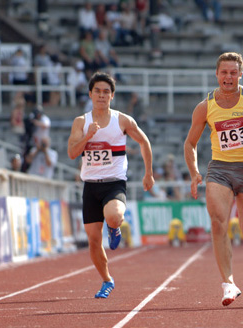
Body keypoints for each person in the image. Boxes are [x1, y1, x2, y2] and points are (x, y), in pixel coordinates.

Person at [184, 52, 243, 306]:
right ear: (217, 74)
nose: (228, 77)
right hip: (219, 170)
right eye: (224, 72)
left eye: (233, 72)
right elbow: (190, 143)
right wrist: (194, 172)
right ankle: (228, 283)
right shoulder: (205, 106)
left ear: (241, 74)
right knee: (217, 222)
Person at [67, 72, 154, 298]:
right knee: (94, 241)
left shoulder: (122, 120)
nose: (102, 95)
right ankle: (107, 280)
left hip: (114, 184)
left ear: (112, 96)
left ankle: (114, 227)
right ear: (90, 94)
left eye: (106, 92)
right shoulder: (81, 122)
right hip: (90, 186)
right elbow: (72, 153)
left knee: (114, 215)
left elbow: (144, 141)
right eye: (97, 91)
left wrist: (149, 173)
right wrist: (88, 136)